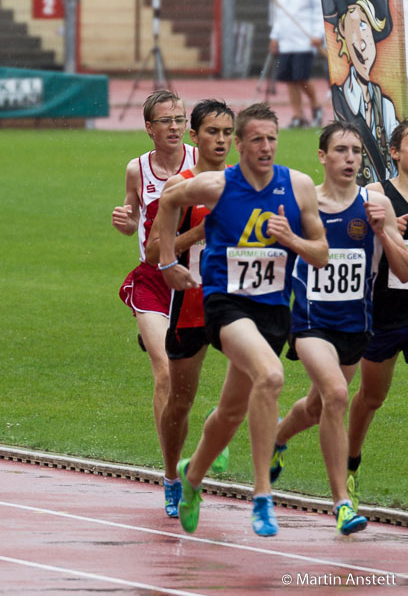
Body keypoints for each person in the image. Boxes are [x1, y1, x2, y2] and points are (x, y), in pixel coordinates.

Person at [157, 103, 328, 537]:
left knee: (232, 410)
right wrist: (165, 261)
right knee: (270, 377)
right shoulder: (217, 186)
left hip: (273, 310)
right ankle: (262, 496)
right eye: (256, 139)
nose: (266, 147)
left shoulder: (299, 186)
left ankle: (192, 477)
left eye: (272, 139)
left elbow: (321, 254)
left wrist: (291, 239)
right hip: (226, 304)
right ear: (240, 145)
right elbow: (169, 199)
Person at [269, 122, 408, 535]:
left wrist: (384, 230)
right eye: (341, 150)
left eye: (356, 151)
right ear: (322, 156)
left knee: (317, 406)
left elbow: (402, 270)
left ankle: (277, 437)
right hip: (311, 323)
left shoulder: (373, 202)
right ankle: (342, 503)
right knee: (336, 394)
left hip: (355, 324)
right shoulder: (300, 201)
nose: (350, 158)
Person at [144, 99, 234, 519]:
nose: (221, 140)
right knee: (180, 401)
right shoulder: (179, 187)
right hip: (191, 306)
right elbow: (150, 252)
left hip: (235, 304)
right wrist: (197, 232)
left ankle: (213, 438)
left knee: (258, 377)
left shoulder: (245, 183)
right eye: (212, 132)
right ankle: (172, 477)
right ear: (195, 138)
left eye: (227, 132)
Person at [112, 89, 196, 483]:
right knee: (164, 372)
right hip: (153, 279)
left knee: (184, 380)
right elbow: (132, 217)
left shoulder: (203, 163)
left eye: (180, 120)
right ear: (149, 128)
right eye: (166, 121)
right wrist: (126, 222)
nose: (176, 127)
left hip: (195, 280)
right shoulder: (137, 169)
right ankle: (171, 475)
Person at [343, 120, 408, 510]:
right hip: (384, 312)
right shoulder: (377, 195)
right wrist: (385, 231)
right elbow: (349, 236)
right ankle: (350, 462)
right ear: (395, 153)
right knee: (372, 397)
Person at [320, 0, 398, 183]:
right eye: (351, 27)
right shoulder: (340, 100)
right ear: (342, 35)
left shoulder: (388, 107)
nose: (361, 41)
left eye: (364, 26)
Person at [270, 0, 325, 129]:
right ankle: (298, 116)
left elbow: (319, 11)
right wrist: (275, 36)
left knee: (302, 77)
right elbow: (280, 14)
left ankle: (316, 106)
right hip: (287, 42)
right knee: (289, 80)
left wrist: (318, 34)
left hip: (304, 41)